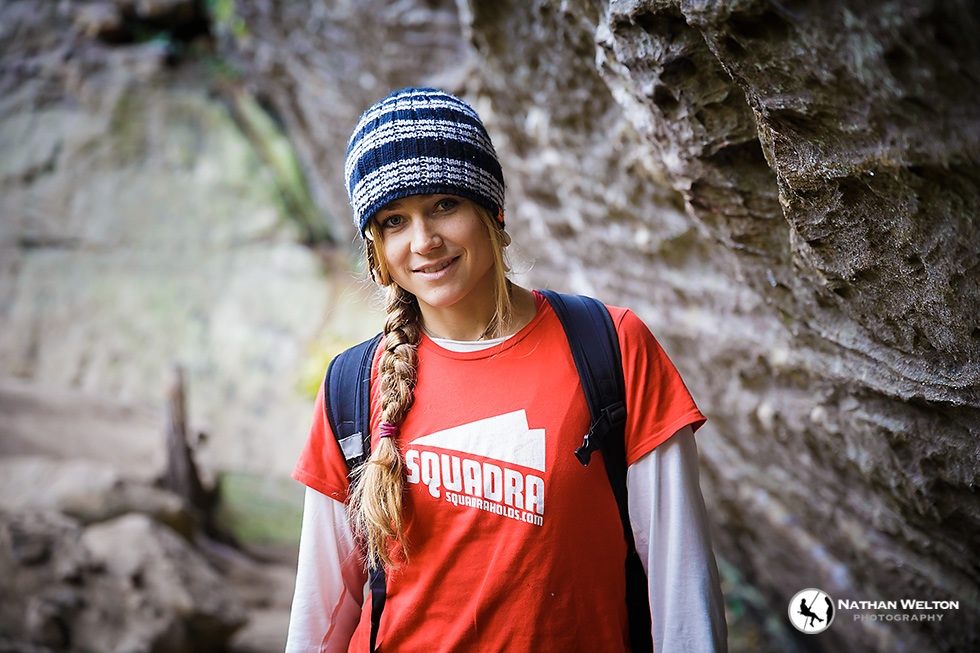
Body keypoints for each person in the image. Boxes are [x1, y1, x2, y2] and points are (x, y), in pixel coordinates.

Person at [285, 87, 728, 652]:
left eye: (445, 204)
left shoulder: (609, 347)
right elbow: (320, 613)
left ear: (492, 209)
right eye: (395, 220)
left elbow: (680, 583)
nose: (424, 242)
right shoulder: (352, 387)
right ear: (375, 249)